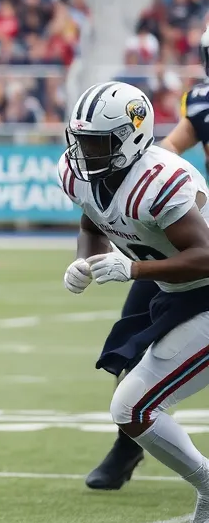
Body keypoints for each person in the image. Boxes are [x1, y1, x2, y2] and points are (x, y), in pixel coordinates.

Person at [59, 81, 209, 523]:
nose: (84, 152)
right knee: (131, 406)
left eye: (97, 141)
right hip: (181, 295)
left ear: (131, 136)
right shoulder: (80, 174)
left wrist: (134, 268)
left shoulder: (160, 180)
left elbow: (206, 255)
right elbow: (93, 220)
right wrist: (85, 259)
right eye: (81, 140)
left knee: (135, 405)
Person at [84, 28, 209, 490]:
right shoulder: (200, 103)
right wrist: (156, 175)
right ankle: (128, 442)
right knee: (129, 340)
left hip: (197, 244)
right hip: (176, 231)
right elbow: (173, 145)